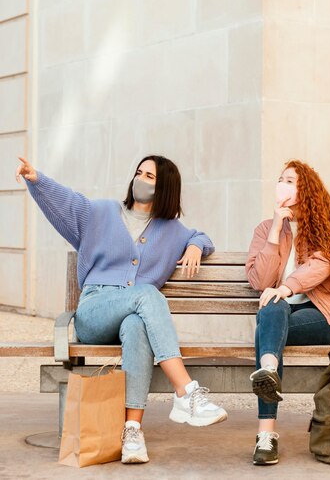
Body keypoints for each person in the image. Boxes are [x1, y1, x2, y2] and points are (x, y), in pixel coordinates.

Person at [16, 155, 227, 464]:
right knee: (147, 295)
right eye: (139, 173)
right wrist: (37, 179)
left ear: (166, 187)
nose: (141, 179)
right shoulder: (101, 212)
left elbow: (200, 237)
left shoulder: (171, 229)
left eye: (150, 177)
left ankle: (132, 432)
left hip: (131, 315)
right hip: (94, 312)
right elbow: (66, 203)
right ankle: (185, 391)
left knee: (137, 326)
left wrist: (195, 246)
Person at [246, 159, 330, 466]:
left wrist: (286, 287)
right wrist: (275, 230)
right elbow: (260, 281)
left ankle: (266, 434)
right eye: (280, 179)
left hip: (319, 316)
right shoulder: (265, 229)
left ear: (305, 189)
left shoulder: (325, 224)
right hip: (277, 316)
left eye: (290, 181)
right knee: (272, 309)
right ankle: (268, 371)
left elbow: (320, 265)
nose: (283, 184)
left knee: (271, 312)